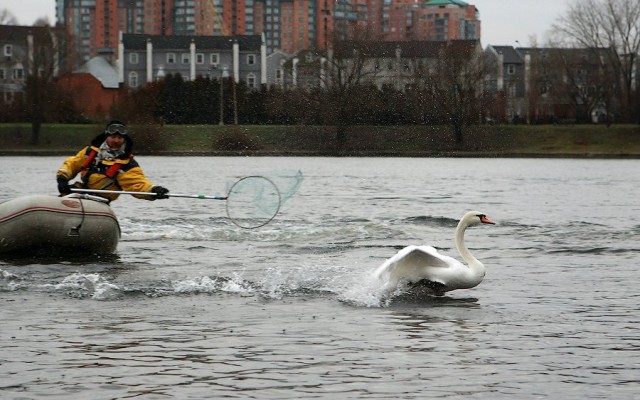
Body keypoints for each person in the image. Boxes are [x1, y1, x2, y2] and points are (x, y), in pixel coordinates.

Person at [56, 120, 169, 203]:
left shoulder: (127, 163)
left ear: (124, 140)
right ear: (106, 137)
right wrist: (62, 179)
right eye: (113, 137)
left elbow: (137, 184)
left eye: (120, 138)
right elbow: (72, 164)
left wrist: (153, 190)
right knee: (63, 198)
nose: (116, 141)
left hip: (100, 201)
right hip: (79, 192)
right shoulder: (90, 152)